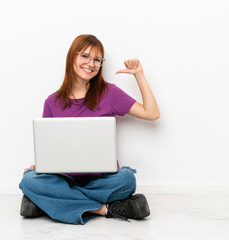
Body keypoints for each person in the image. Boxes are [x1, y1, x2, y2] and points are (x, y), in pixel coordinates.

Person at [18, 34, 160, 225]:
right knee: (29, 180)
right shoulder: (52, 102)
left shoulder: (109, 93)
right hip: (63, 179)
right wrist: (40, 165)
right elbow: (49, 146)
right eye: (85, 56)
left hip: (102, 179)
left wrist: (139, 75)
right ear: (72, 58)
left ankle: (47, 202)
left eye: (97, 60)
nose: (91, 63)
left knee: (127, 179)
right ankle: (105, 209)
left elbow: (152, 113)